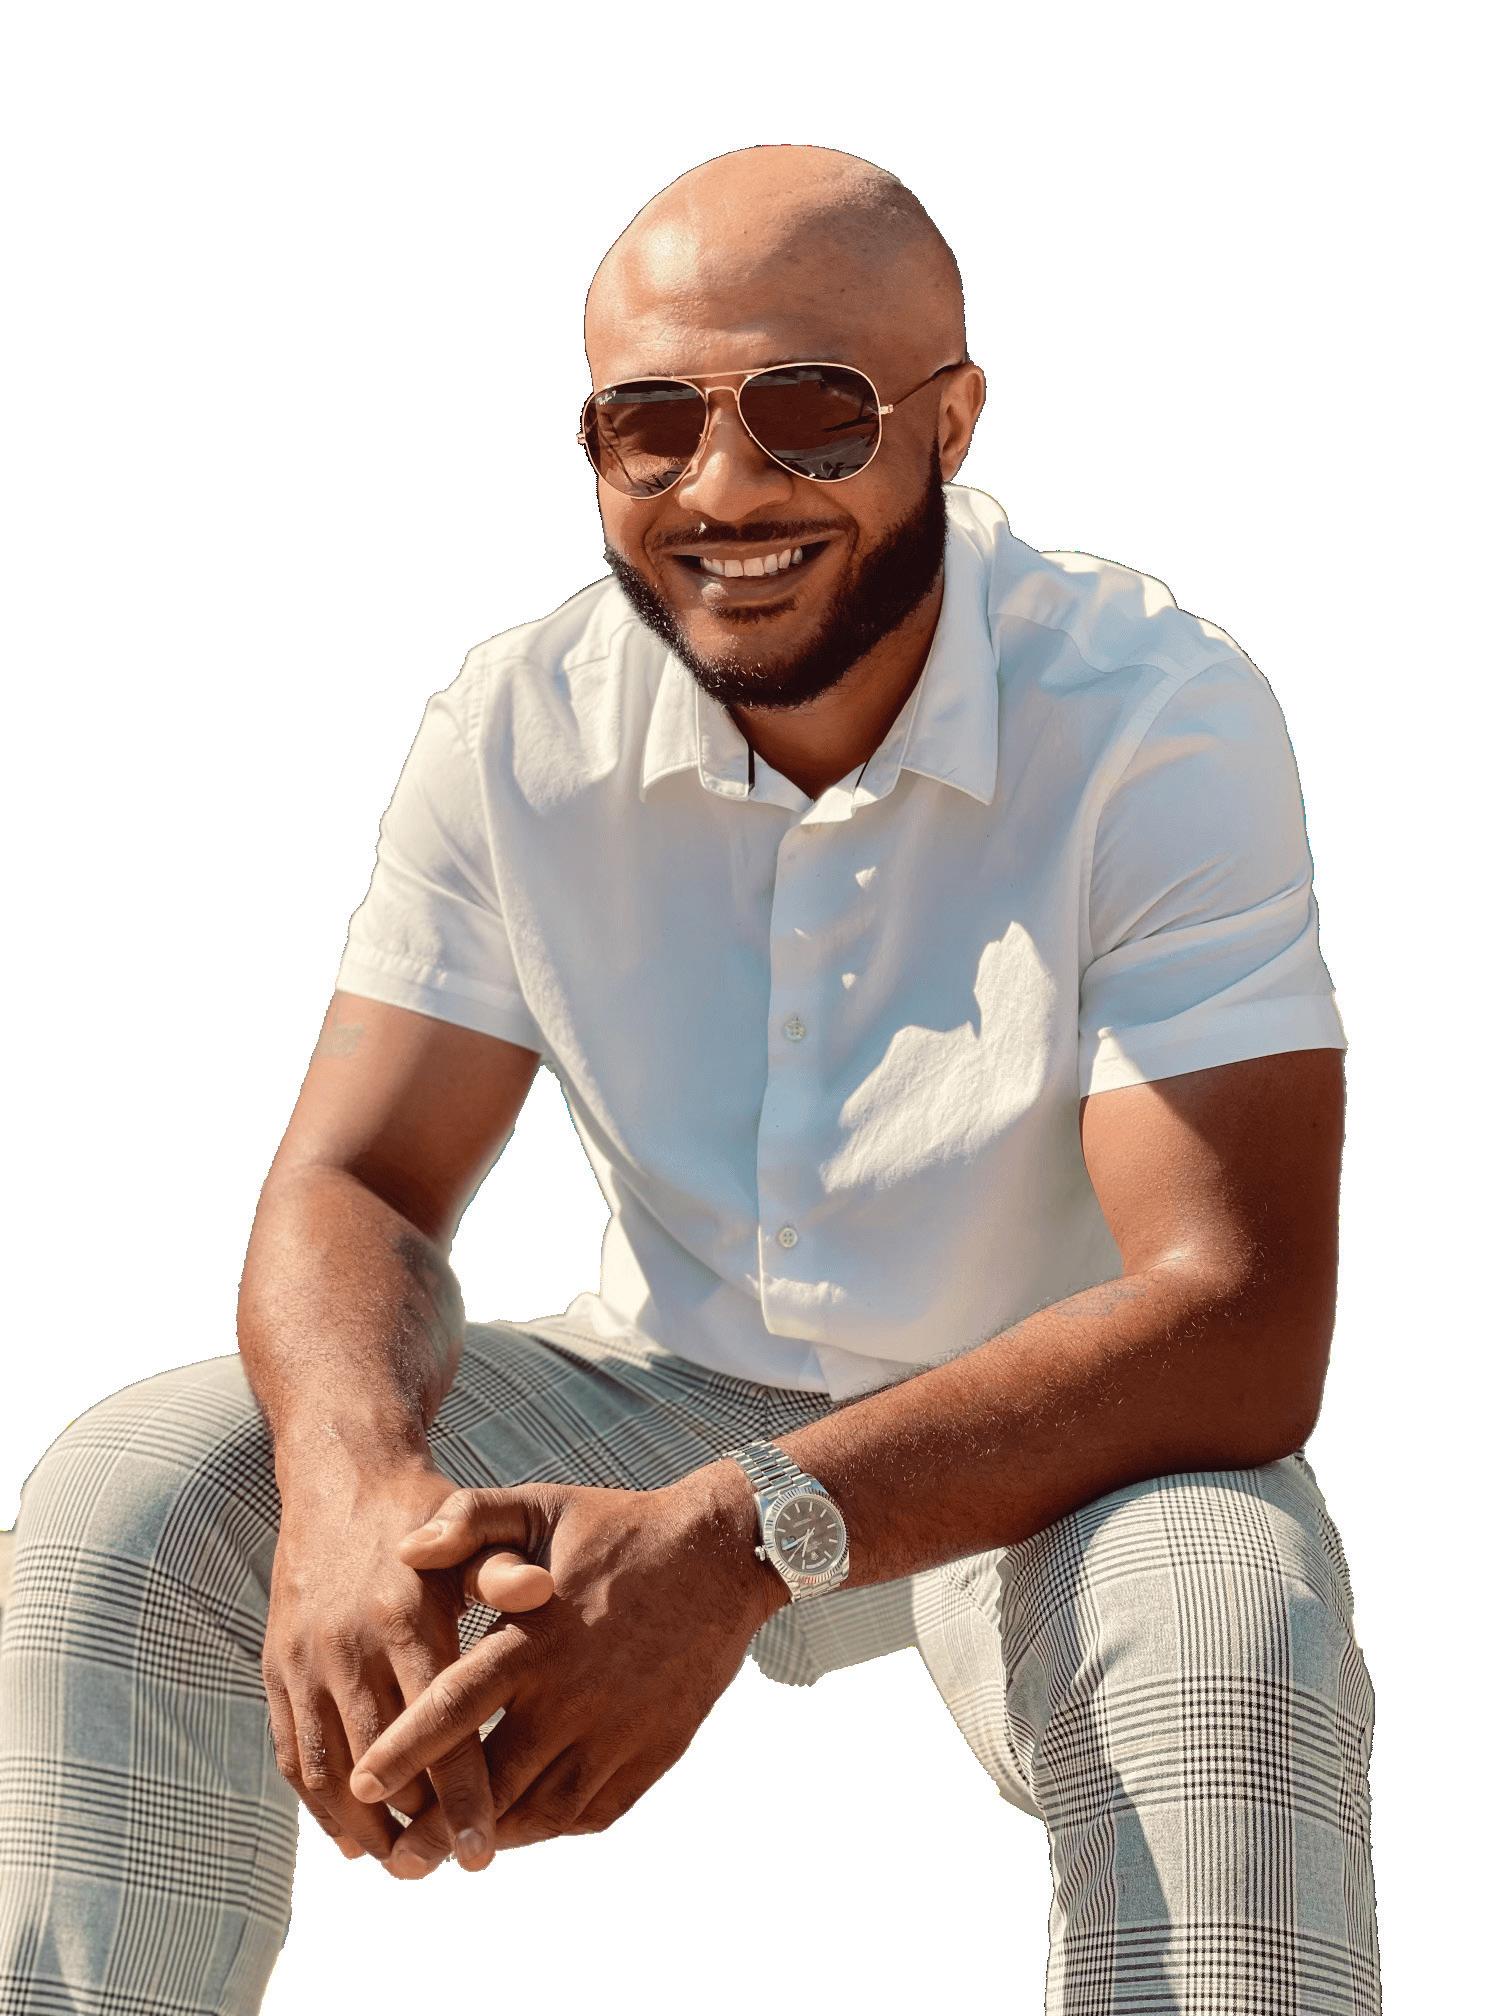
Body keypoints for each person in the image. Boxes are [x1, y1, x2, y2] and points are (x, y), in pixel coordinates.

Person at [0, 142, 1382, 2013]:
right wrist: (348, 1486)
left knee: (1229, 1619)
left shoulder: (1154, 713)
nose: (722, 489)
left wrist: (739, 1540)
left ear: (952, 422)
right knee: (134, 1500)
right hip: (656, 1390)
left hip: (1058, 1434)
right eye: (648, 426)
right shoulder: (520, 723)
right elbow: (361, 1179)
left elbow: (1236, 1317)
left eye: (811, 413)